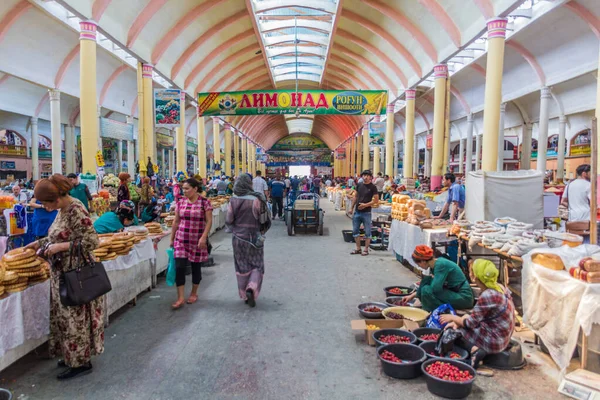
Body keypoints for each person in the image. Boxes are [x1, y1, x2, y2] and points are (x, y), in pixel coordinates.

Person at [24, 175, 103, 380]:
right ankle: (71, 355)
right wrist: (39, 244)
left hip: (76, 273)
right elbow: (58, 236)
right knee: (64, 318)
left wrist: (59, 247)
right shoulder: (61, 210)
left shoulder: (76, 209)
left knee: (74, 318)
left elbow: (92, 241)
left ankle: (81, 362)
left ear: (57, 198)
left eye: (47, 203)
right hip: (61, 272)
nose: (46, 207)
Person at [440, 259, 515, 369]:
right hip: (503, 337)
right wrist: (459, 321)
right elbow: (476, 316)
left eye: (471, 271)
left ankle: (475, 350)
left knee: (453, 333)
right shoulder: (500, 287)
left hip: (495, 342)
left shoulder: (488, 295)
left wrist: (453, 318)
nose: (470, 274)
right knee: (461, 321)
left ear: (475, 277)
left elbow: (470, 323)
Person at [225, 174, 271, 307]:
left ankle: (245, 294)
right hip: (255, 238)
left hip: (238, 238)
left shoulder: (233, 200)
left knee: (241, 265)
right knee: (257, 265)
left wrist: (234, 228)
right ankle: (252, 287)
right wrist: (261, 231)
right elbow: (265, 220)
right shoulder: (257, 199)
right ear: (249, 185)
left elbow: (228, 220)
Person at [169, 178, 213, 309]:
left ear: (195, 189)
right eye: (183, 189)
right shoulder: (181, 202)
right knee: (179, 267)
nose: (185, 191)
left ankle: (194, 293)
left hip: (197, 241)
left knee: (195, 267)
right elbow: (176, 222)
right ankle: (180, 297)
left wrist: (204, 238)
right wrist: (172, 239)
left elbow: (209, 221)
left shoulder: (205, 203)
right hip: (181, 239)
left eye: (187, 188)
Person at [401, 245, 474, 312]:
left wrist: (422, 293)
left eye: (418, 264)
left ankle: (437, 311)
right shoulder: (436, 264)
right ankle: (433, 308)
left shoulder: (440, 265)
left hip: (464, 297)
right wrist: (412, 296)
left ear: (423, 261)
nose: (419, 267)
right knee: (426, 280)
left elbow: (435, 289)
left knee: (426, 290)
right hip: (454, 292)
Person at [351, 170, 379, 256]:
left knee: (367, 232)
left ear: (370, 177)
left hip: (366, 213)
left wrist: (365, 205)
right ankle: (358, 248)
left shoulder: (373, 187)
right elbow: (355, 196)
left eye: (367, 176)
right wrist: (351, 208)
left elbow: (376, 201)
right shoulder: (359, 185)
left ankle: (366, 249)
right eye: (364, 175)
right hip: (357, 212)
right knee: (355, 231)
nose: (365, 177)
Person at [561, 164, 591, 241]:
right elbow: (594, 203)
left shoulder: (569, 185)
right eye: (590, 173)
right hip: (586, 219)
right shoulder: (589, 185)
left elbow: (563, 201)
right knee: (587, 242)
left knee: (575, 242)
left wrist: (573, 205)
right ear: (584, 173)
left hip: (572, 218)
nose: (591, 175)